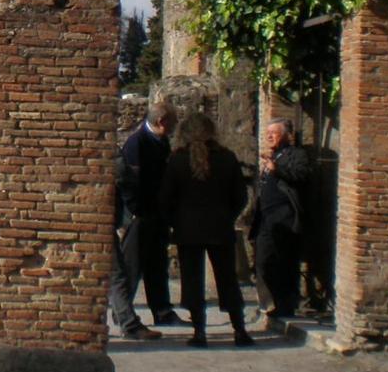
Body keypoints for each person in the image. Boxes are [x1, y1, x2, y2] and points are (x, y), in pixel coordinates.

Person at [159, 112, 254, 347]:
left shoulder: (178, 160)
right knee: (228, 279)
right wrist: (227, 216)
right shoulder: (227, 158)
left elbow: (166, 197)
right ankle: (239, 329)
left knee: (192, 280)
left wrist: (175, 221)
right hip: (219, 227)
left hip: (187, 229)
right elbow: (241, 196)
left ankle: (199, 332)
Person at [109, 100, 181, 339]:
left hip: (156, 212)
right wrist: (136, 210)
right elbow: (128, 181)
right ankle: (124, 314)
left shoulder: (161, 141)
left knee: (156, 263)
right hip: (139, 214)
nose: (174, 127)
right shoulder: (136, 143)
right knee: (129, 266)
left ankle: (161, 309)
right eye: (172, 122)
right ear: (162, 122)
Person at [249, 118, 310, 319]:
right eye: (267, 133)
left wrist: (278, 170)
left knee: (284, 262)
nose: (269, 136)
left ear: (286, 135)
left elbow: (302, 176)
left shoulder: (297, 155)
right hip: (266, 219)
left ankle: (285, 305)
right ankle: (269, 302)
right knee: (263, 261)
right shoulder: (273, 156)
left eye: (274, 132)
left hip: (285, 218)